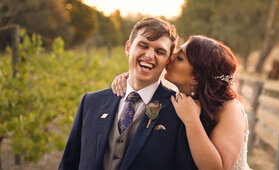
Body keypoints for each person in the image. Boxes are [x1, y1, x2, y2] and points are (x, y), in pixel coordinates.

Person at [59, 17, 197, 170]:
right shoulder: (90, 102)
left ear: (168, 60)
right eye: (143, 46)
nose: (150, 55)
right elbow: (68, 164)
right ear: (128, 47)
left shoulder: (179, 111)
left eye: (160, 51)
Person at [112, 35, 251, 170]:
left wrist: (191, 120)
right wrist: (128, 81)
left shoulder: (229, 108)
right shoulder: (176, 96)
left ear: (196, 77)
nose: (170, 57)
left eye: (179, 58)